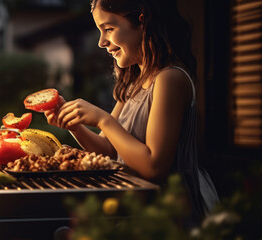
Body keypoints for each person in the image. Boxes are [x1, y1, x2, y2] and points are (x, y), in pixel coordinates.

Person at [44, 0, 219, 226]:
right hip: (136, 206)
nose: (101, 42)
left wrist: (102, 119)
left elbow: (154, 167)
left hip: (168, 212)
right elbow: (109, 151)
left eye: (109, 29)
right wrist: (75, 126)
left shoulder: (170, 79)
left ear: (142, 19)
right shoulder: (134, 82)